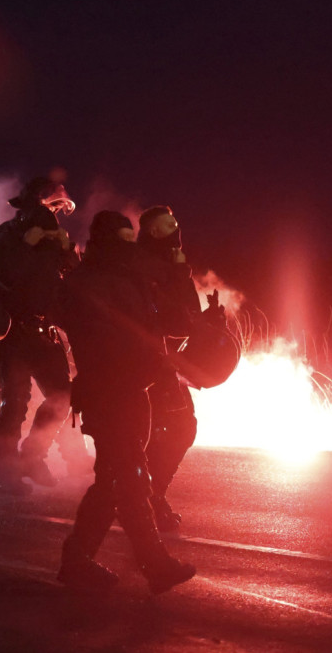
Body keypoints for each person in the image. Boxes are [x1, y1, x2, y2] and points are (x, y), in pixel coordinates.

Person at [54, 210, 196, 595]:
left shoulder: (134, 279)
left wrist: (180, 275)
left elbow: (178, 322)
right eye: (119, 239)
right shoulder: (84, 283)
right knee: (131, 477)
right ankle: (155, 564)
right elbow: (103, 341)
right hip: (107, 393)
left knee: (113, 481)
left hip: (135, 391)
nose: (126, 247)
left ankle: (77, 560)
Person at [0, 176, 83, 495]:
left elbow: (72, 284)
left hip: (43, 332)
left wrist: (68, 253)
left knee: (62, 396)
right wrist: (28, 244)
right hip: (13, 331)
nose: (52, 214)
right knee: (14, 402)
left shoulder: (52, 241)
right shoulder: (4, 237)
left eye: (56, 208)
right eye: (47, 206)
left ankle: (32, 456)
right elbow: (6, 274)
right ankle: (6, 472)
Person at [136, 205, 222, 533]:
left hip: (163, 361)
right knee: (161, 432)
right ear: (153, 233)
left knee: (173, 429)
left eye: (174, 224)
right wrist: (178, 276)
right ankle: (144, 500)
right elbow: (173, 320)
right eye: (166, 226)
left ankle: (145, 497)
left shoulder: (168, 266)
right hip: (146, 362)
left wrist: (207, 321)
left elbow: (186, 315)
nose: (174, 231)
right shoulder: (144, 267)